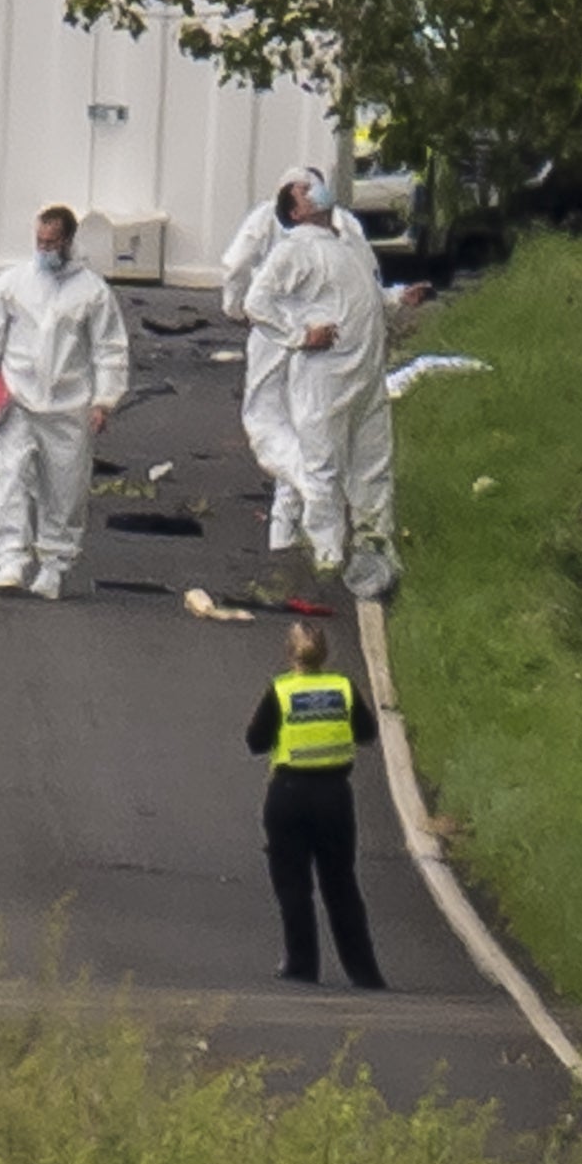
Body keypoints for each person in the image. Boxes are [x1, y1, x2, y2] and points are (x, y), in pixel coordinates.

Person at [0, 201, 131, 596]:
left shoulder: (93, 292)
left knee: (64, 489)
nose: (44, 249)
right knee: (12, 480)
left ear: (68, 241)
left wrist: (105, 400)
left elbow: (110, 349)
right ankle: (10, 560)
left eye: (52, 242)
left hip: (71, 406)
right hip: (16, 399)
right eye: (39, 240)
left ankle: (54, 562)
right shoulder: (13, 284)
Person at [242, 196, 397, 586]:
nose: (318, 193)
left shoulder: (347, 244)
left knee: (371, 461)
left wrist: (400, 298)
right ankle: (326, 551)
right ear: (294, 212)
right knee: (322, 461)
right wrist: (298, 336)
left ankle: (372, 542)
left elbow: (368, 299)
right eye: (305, 190)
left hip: (364, 374)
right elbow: (255, 302)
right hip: (323, 375)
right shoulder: (294, 250)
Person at [219, 164, 361, 560]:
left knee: (268, 422)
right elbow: (363, 276)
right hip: (324, 333)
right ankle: (287, 524)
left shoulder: (267, 217)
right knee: (305, 425)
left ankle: (309, 498)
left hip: (276, 330)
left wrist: (235, 308)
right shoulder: (343, 225)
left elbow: (236, 264)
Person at [245, 615, 387, 986]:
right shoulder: (343, 687)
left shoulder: (280, 691)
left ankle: (302, 965)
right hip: (334, 796)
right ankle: (365, 972)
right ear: (325, 653)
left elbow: (255, 741)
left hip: (289, 795)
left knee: (293, 883)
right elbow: (368, 733)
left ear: (290, 654)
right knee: (340, 883)